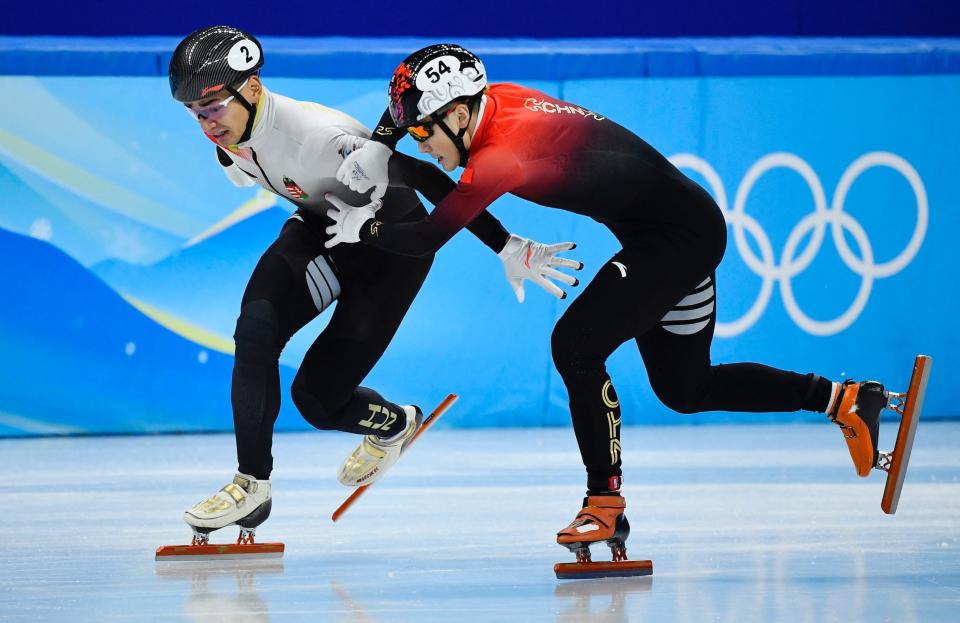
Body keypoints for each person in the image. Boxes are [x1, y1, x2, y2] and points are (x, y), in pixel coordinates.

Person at [327, 43, 894, 563]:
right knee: (685, 389)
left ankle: (604, 505)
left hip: (676, 241)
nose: (420, 141)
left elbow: (425, 237)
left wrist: (363, 227)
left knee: (574, 345)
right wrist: (385, 145)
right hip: (678, 227)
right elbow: (426, 136)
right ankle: (845, 400)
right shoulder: (493, 101)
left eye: (422, 133)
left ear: (455, 115)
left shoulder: (501, 156)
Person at [168, 29, 581, 544]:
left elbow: (429, 181)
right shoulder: (231, 139)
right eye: (192, 112)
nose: (205, 123)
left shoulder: (317, 135)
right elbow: (260, 169)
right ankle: (251, 484)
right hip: (326, 227)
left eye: (211, 106)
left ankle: (394, 425)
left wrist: (505, 246)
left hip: (392, 252)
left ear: (251, 89)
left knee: (317, 401)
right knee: (255, 332)